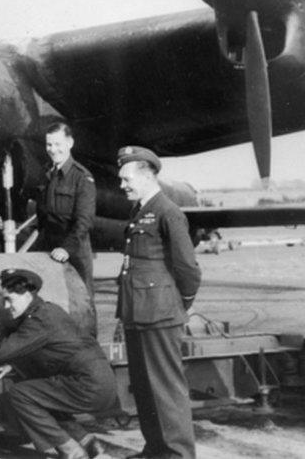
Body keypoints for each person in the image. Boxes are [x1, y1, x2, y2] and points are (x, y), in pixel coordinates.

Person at [0, 269, 114, 459]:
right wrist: (15, 366)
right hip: (101, 381)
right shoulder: (50, 310)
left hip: (87, 385)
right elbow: (54, 350)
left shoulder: (38, 321)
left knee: (21, 394)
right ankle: (90, 445)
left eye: (10, 299)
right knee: (43, 393)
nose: (6, 306)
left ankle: (71, 451)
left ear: (27, 294)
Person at [117, 146, 201, 459]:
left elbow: (188, 268)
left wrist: (183, 302)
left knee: (166, 389)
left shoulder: (168, 211)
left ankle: (177, 454)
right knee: (144, 387)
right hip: (138, 312)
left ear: (147, 175)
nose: (122, 185)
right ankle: (155, 449)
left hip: (160, 314)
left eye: (127, 178)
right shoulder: (139, 211)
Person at [34, 122, 97, 335]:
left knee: (81, 307)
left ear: (70, 143)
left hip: (74, 252)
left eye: (58, 144)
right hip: (49, 250)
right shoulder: (47, 173)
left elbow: (84, 221)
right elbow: (43, 217)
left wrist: (66, 249)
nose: (53, 149)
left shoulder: (82, 177)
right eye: (49, 144)